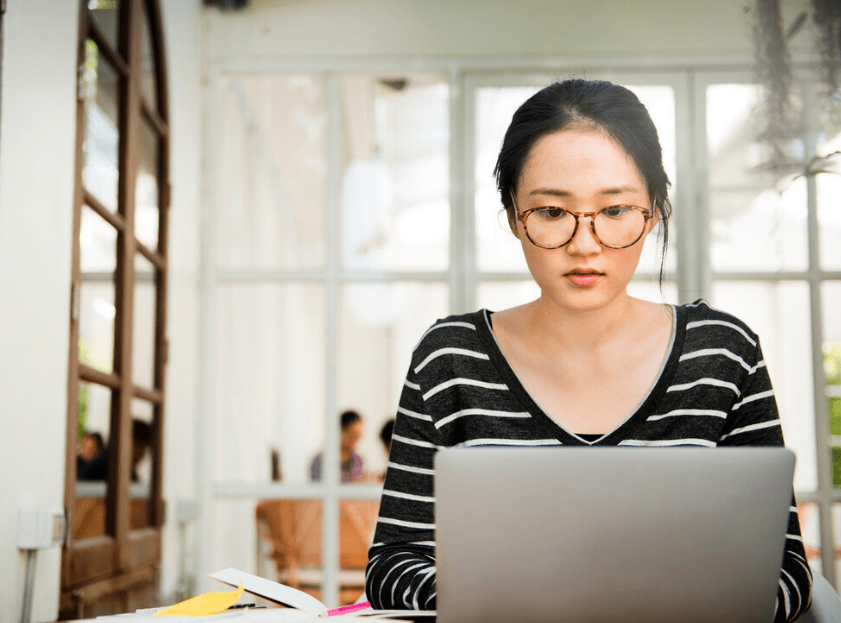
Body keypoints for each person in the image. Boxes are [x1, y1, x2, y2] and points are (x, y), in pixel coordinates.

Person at [364, 79, 812, 622]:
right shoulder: (449, 359)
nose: (585, 244)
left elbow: (784, 570)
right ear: (513, 216)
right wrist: (520, 604)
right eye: (552, 212)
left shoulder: (723, 354)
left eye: (616, 210)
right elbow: (394, 564)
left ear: (653, 212)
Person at [310, 410, 367, 483]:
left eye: (359, 435)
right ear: (341, 431)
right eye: (353, 434)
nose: (357, 440)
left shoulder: (359, 461)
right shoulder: (320, 460)